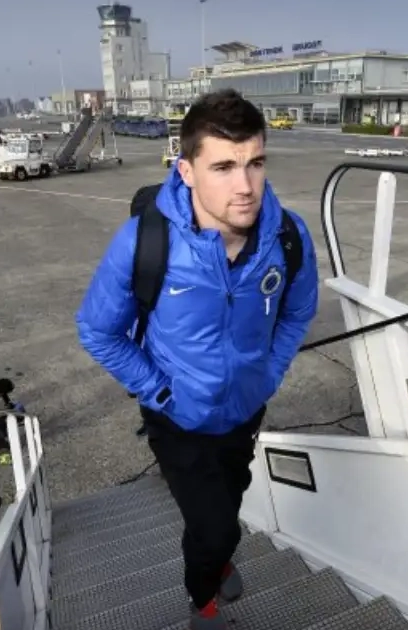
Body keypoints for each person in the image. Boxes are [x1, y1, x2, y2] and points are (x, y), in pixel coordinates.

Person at [75, 89, 319, 629]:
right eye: (223, 167)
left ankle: (218, 556)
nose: (245, 185)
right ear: (186, 170)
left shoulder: (288, 236)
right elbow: (98, 331)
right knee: (213, 527)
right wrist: (161, 391)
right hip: (177, 416)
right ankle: (202, 603)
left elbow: (298, 312)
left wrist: (268, 374)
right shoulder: (144, 242)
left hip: (245, 409)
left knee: (231, 500)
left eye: (255, 163)